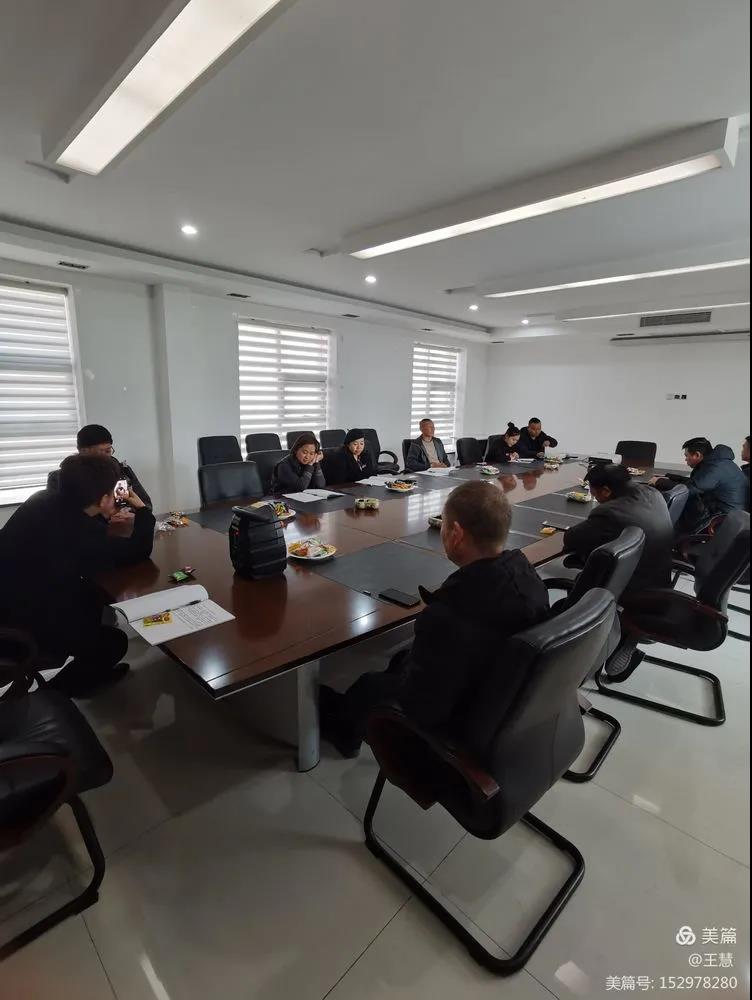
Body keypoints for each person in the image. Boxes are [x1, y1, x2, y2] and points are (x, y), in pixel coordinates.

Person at [318, 480, 550, 757]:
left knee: (368, 684)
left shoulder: (449, 614)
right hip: (501, 698)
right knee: (399, 660)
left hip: (460, 722)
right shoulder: (529, 579)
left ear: (456, 533)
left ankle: (345, 735)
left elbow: (423, 706)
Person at [0, 454, 155, 697]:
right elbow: (138, 550)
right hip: (27, 623)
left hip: (9, 601)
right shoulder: (84, 535)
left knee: (94, 598)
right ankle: (53, 694)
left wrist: (103, 513)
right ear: (103, 499)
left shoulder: (41, 499)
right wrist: (142, 510)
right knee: (114, 642)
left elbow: (80, 527)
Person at [562, 464, 674, 593]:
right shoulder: (653, 492)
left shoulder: (610, 512)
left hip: (631, 587)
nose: (594, 496)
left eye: (593, 492)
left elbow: (571, 538)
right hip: (660, 579)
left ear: (606, 491)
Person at [48, 424, 152, 518]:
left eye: (109, 451)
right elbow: (59, 517)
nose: (108, 457)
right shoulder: (61, 477)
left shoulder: (123, 471)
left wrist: (131, 516)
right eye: (103, 452)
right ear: (83, 451)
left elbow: (145, 505)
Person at [650, 437, 748, 532]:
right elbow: (696, 482)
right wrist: (670, 477)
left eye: (687, 456)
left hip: (720, 519)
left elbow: (688, 490)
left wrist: (659, 482)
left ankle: (666, 535)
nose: (685, 459)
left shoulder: (715, 468)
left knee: (676, 501)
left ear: (697, 455)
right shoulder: (718, 462)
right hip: (726, 513)